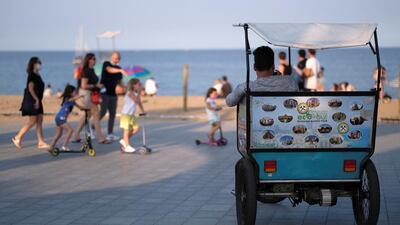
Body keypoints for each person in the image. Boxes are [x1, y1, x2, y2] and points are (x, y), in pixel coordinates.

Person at [226, 46, 298, 107]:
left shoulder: (246, 87)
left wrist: (242, 89)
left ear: (254, 67)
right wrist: (280, 79)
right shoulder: (290, 81)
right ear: (273, 66)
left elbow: (229, 102)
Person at [72, 53, 111, 144]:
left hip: (89, 94)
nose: (95, 60)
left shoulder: (91, 70)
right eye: (93, 59)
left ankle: (75, 136)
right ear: (88, 60)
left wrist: (98, 86)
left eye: (95, 59)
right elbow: (83, 85)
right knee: (96, 113)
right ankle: (101, 138)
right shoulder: (86, 71)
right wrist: (96, 85)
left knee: (87, 115)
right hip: (85, 95)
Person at [12, 57, 49, 149]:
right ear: (33, 64)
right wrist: (36, 99)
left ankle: (40, 142)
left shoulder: (38, 75)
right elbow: (30, 88)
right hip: (34, 101)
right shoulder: (32, 75)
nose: (40, 64)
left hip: (38, 100)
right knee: (32, 121)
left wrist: (39, 99)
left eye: (40, 62)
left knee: (39, 121)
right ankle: (17, 137)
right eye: (38, 62)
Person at [99, 51, 127, 141]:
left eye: (118, 58)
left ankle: (110, 134)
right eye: (115, 58)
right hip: (104, 92)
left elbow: (120, 81)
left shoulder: (119, 68)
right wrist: (121, 70)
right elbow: (109, 70)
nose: (116, 59)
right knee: (103, 112)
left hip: (113, 94)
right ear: (111, 57)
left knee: (112, 114)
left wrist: (125, 87)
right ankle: (92, 126)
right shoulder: (106, 64)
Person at [49, 85, 84, 151]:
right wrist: (80, 96)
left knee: (58, 134)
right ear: (70, 93)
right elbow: (71, 99)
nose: (76, 92)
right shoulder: (67, 99)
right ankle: (64, 146)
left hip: (59, 117)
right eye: (74, 91)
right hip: (61, 118)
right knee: (70, 130)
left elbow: (80, 107)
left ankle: (51, 147)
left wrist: (86, 108)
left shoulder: (72, 101)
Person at [119, 78, 146, 153]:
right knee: (126, 130)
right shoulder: (129, 92)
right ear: (134, 85)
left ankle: (124, 140)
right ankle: (127, 146)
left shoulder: (136, 93)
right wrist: (140, 92)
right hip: (126, 114)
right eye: (139, 84)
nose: (140, 86)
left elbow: (139, 102)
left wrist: (143, 111)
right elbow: (136, 101)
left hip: (131, 115)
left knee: (136, 128)